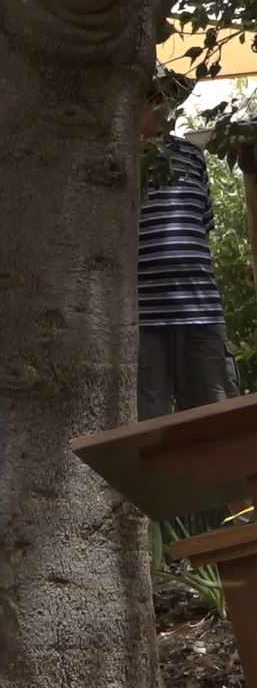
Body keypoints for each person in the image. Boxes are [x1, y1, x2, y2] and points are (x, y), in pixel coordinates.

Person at [137, 62, 239, 421]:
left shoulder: (193, 156)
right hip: (143, 316)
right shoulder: (119, 159)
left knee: (216, 421)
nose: (161, 105)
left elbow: (202, 228)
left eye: (166, 97)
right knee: (144, 425)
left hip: (201, 311)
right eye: (152, 97)